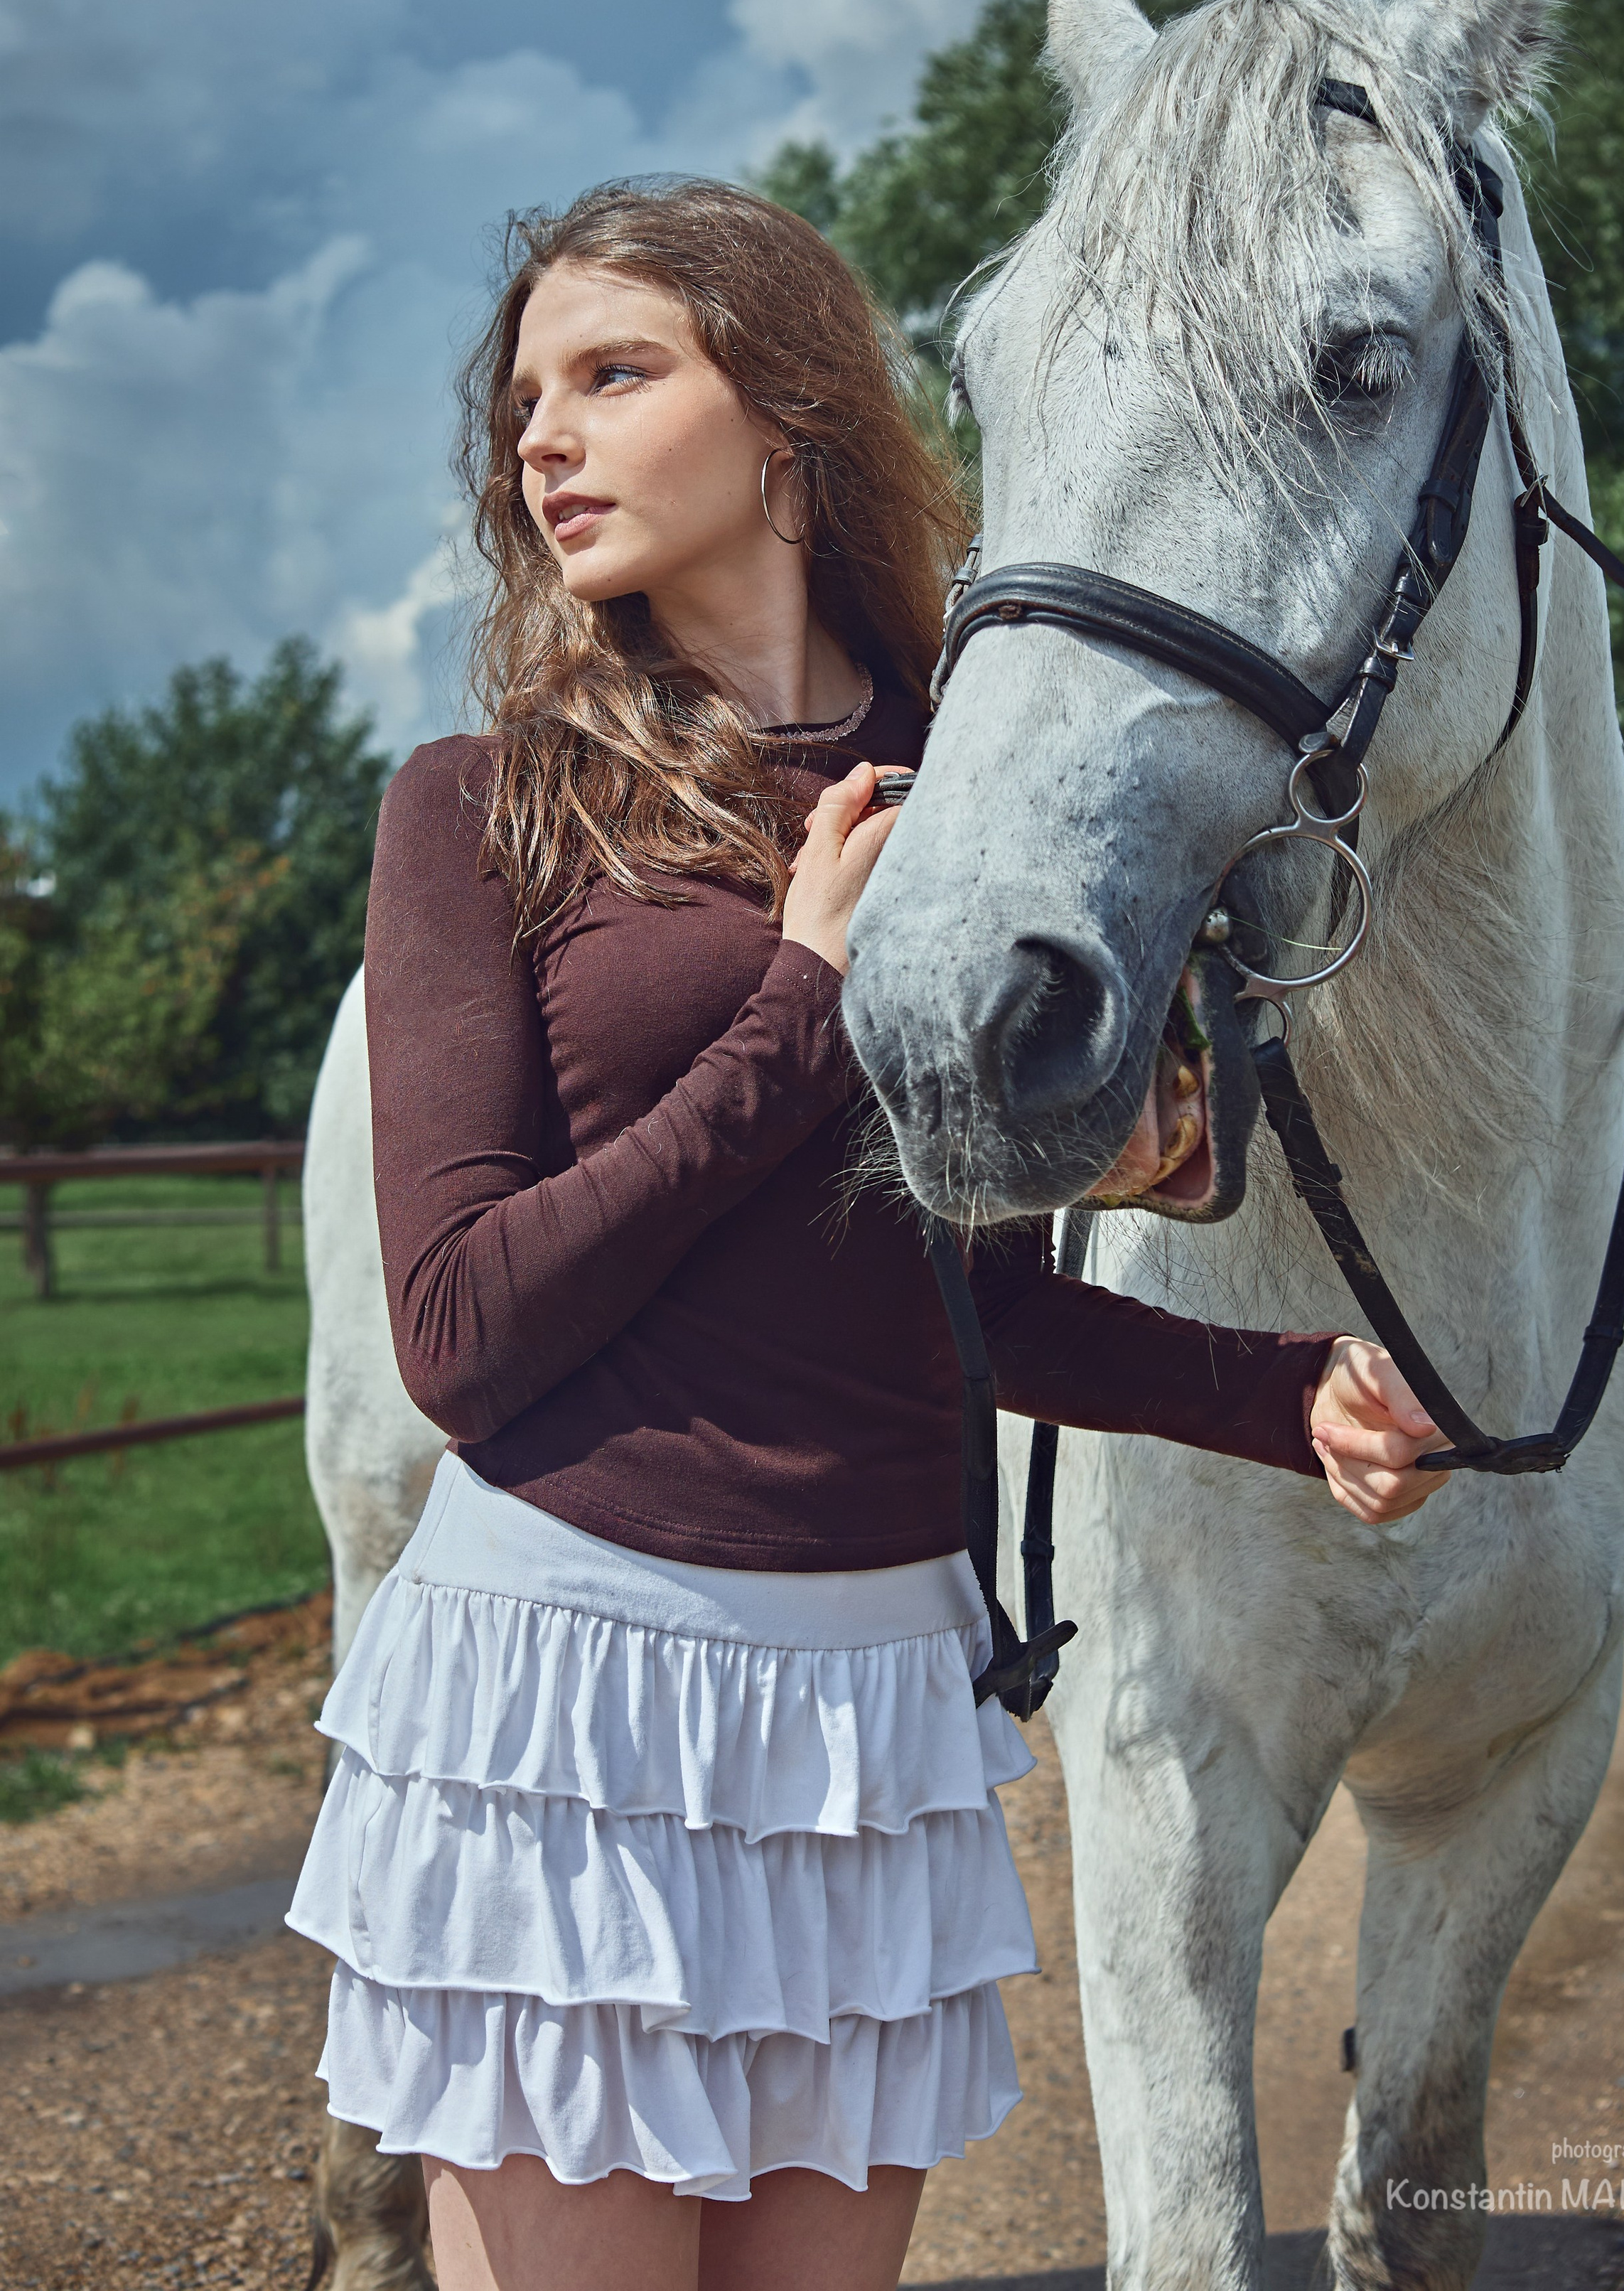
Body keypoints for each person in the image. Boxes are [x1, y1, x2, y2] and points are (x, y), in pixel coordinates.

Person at [289, 178, 1444, 2291]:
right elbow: (457, 1331)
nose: (543, 440)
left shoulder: (982, 800)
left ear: (788, 411)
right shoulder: (479, 809)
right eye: (527, 400)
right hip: (572, 1691)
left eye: (613, 376)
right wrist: (803, 1000)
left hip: (869, 1716)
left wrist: (1293, 1396)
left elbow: (956, 1313)